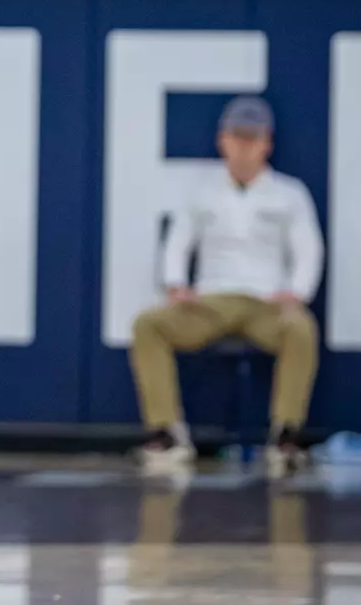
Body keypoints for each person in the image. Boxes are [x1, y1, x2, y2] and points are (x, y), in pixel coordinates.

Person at [130, 95, 324, 478]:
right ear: (223, 141)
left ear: (267, 143)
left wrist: (297, 291)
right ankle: (167, 433)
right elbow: (179, 241)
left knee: (301, 329)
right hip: (211, 301)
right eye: (238, 137)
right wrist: (176, 284)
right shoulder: (202, 191)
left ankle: (285, 433)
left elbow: (309, 248)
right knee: (148, 324)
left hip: (265, 303)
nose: (244, 147)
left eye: (252, 138)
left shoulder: (290, 193)